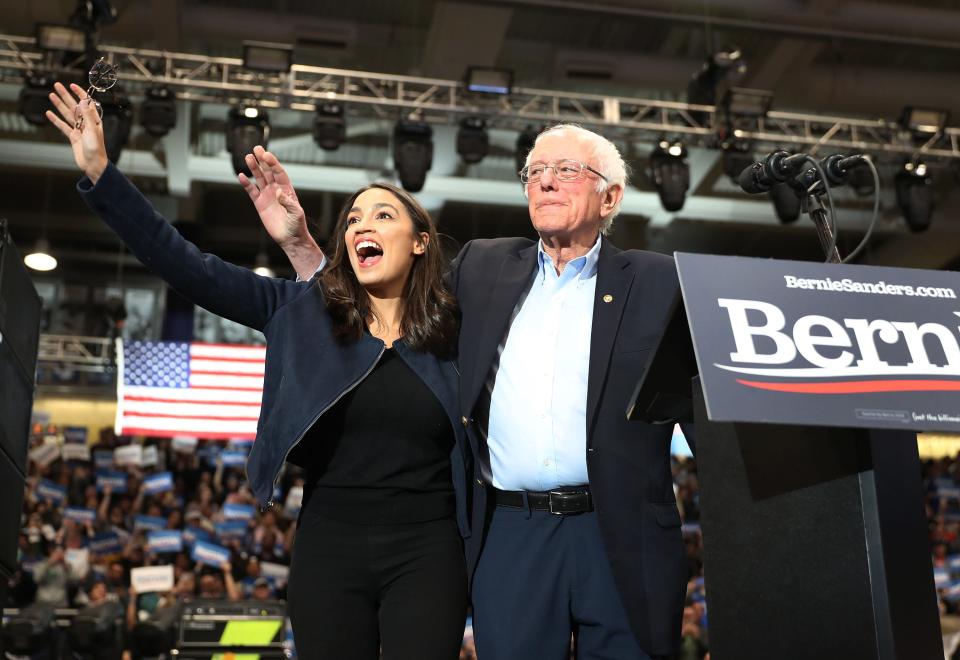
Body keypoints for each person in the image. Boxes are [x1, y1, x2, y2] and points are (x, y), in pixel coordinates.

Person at [45, 81, 470, 660]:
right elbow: (185, 265)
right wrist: (101, 173)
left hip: (429, 550)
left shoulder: (454, 332)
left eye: (382, 214)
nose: (360, 226)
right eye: (351, 221)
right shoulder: (302, 315)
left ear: (421, 242)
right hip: (330, 546)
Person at [261, 124, 692, 659]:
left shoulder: (662, 282)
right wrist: (302, 250)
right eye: (535, 173)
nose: (546, 183)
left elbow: (710, 419)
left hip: (622, 533)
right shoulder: (481, 267)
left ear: (611, 197)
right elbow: (389, 300)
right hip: (513, 532)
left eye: (566, 171)